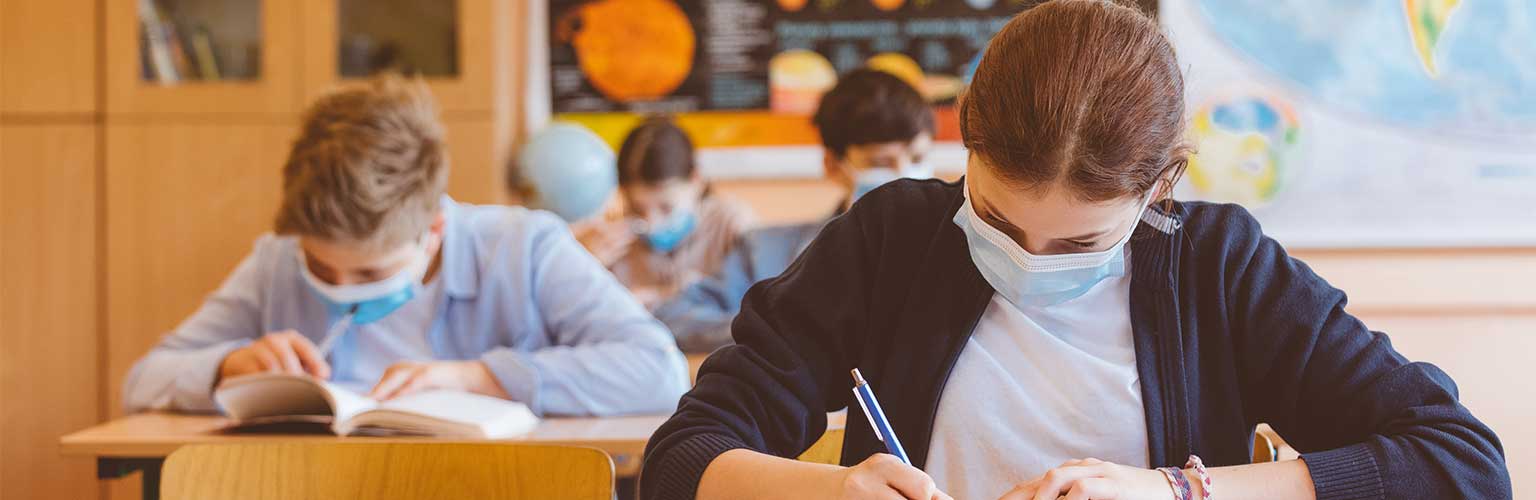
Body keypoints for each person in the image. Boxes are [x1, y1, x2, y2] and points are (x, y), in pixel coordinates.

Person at [640, 2, 1510, 500]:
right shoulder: (890, 239)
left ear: (1159, 188)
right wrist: (833, 492)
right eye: (998, 220)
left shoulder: (1220, 265)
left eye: (1081, 240)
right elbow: (685, 456)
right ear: (966, 148)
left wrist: (1179, 492)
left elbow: (1462, 465)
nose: (1032, 260)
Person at [122, 76, 689, 417]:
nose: (339, 290)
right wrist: (226, 365)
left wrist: (477, 378)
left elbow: (657, 370)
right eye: (320, 266)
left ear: (434, 230)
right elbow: (144, 379)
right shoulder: (275, 261)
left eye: (368, 273)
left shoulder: (525, 248)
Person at [653, 69, 935, 352]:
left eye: (917, 158)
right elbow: (676, 318)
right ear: (833, 165)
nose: (905, 176)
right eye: (880, 163)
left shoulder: (960, 246)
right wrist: (780, 330)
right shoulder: (764, 251)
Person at [575, 116, 755, 310]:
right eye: (636, 208)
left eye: (666, 207)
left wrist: (663, 296)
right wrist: (582, 264)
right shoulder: (609, 243)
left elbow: (757, 302)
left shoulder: (732, 225)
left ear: (696, 181)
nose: (651, 224)